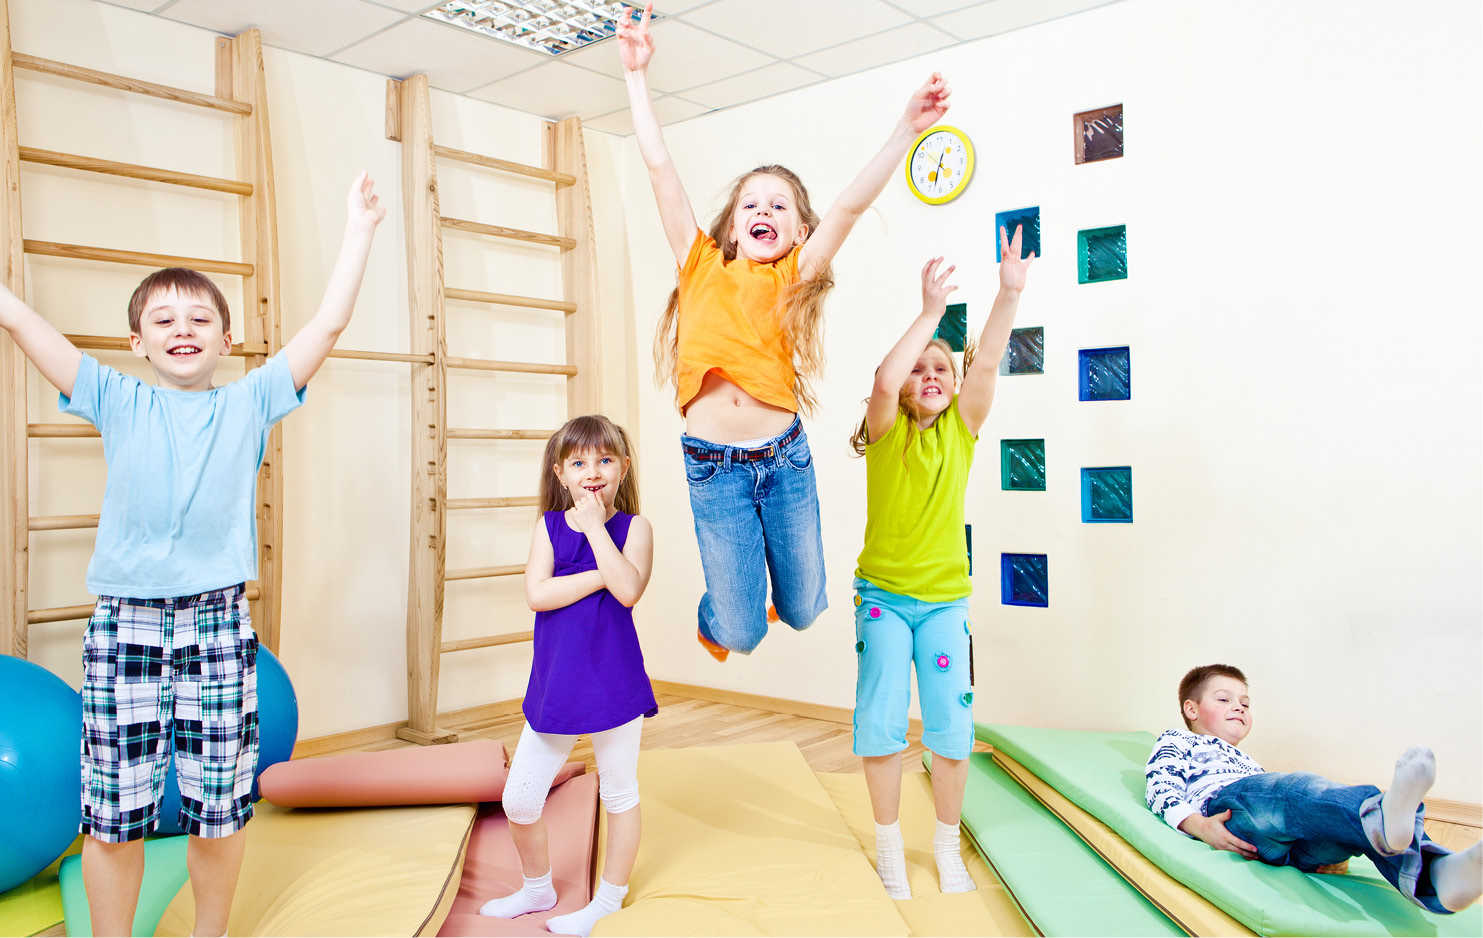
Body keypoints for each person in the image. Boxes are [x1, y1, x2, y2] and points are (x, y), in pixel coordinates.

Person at [0, 173, 384, 937]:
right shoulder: (115, 397)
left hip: (216, 627)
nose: (184, 327)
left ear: (226, 338)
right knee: (114, 813)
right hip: (126, 628)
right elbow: (31, 333)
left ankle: (209, 931)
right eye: (164, 318)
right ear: (138, 342)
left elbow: (328, 326)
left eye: (201, 316)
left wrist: (358, 232)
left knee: (219, 804)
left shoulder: (251, 402)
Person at [618, 2, 952, 660]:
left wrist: (904, 132)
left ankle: (768, 597)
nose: (762, 210)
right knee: (741, 633)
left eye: (779, 205)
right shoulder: (699, 264)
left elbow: (852, 203)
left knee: (802, 610)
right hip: (713, 472)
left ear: (800, 231)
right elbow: (660, 169)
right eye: (751, 202)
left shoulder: (795, 274)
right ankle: (721, 613)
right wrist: (636, 78)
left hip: (784, 460)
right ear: (732, 224)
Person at [850, 228, 1035, 898]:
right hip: (882, 597)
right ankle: (889, 846)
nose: (929, 379)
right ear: (904, 390)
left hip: (943, 602)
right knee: (879, 718)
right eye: (919, 372)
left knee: (951, 729)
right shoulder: (884, 433)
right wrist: (929, 315)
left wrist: (1007, 293)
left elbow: (984, 364)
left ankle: (947, 844)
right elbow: (881, 380)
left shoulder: (961, 430)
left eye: (941, 371)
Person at [478, 415, 656, 938]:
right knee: (519, 799)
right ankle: (538, 887)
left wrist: (598, 531)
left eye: (605, 460)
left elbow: (628, 592)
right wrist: (604, 570)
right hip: (558, 682)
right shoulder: (548, 528)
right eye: (579, 462)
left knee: (620, 793)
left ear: (623, 468)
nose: (592, 471)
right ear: (561, 473)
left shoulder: (635, 528)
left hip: (615, 682)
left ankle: (609, 900)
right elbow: (538, 594)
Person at [1146, 664, 1483, 914]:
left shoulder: (1249, 762)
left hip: (1284, 851)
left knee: (1345, 832)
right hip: (1225, 812)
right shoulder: (1180, 739)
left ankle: (1438, 878)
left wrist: (1335, 851)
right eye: (1225, 699)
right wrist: (1199, 826)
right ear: (1191, 709)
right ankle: (1380, 818)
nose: (1239, 707)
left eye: (1245, 704)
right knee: (1293, 790)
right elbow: (1160, 787)